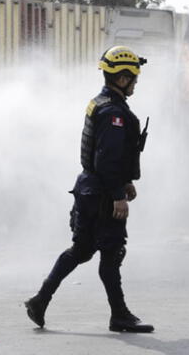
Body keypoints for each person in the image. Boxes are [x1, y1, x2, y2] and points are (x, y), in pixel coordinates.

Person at [24, 46, 153, 333]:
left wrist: (126, 182)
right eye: (133, 78)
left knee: (81, 250)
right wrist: (118, 195)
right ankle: (119, 315)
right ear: (121, 78)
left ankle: (40, 300)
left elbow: (106, 154)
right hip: (102, 195)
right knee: (112, 251)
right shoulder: (114, 113)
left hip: (88, 190)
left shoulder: (102, 103)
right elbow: (106, 159)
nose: (135, 84)